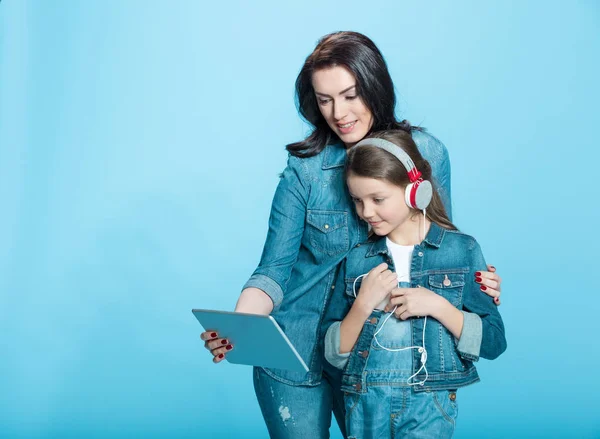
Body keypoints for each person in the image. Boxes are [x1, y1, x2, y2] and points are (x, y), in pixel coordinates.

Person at [200, 31, 503, 438]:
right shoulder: (304, 171)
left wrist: (475, 283)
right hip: (295, 352)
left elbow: (438, 243)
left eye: (349, 95)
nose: (338, 113)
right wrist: (238, 327)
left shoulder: (426, 154)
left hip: (375, 354)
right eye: (324, 100)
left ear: (374, 87)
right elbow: (272, 270)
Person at [323, 130, 507, 438]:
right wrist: (363, 304)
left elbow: (493, 343)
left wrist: (439, 306)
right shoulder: (357, 259)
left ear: (414, 191)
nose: (366, 212)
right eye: (358, 200)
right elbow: (332, 354)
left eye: (378, 199)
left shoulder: (461, 251)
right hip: (365, 403)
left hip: (429, 404)